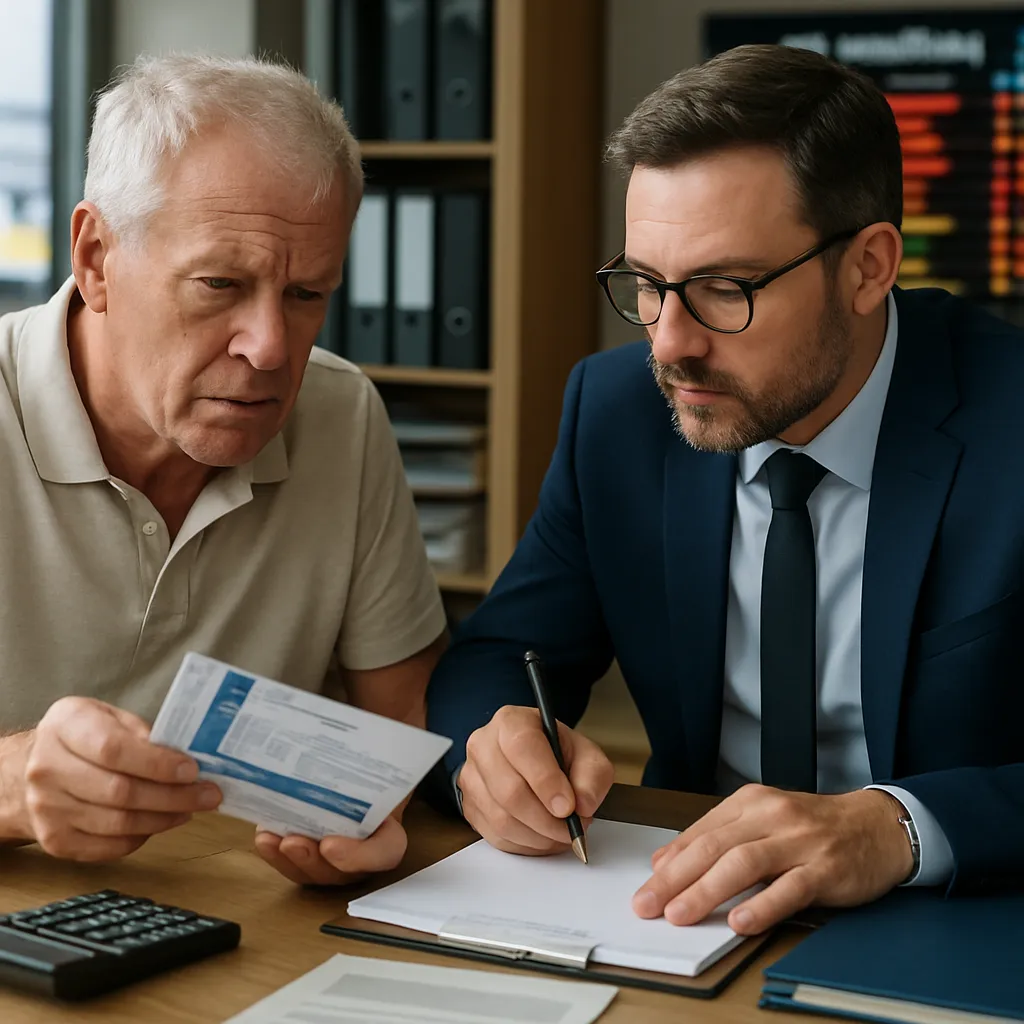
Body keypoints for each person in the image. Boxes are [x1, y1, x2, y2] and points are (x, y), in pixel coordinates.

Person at [426, 43, 1024, 935]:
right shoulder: (616, 412)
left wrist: (899, 829)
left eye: (724, 289)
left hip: (955, 914)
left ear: (868, 267)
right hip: (685, 910)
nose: (669, 344)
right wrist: (494, 745)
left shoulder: (1009, 421)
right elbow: (501, 653)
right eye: (647, 285)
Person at [0, 55, 448, 885]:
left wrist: (376, 819)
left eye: (307, 294)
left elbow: (407, 730)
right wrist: (11, 789)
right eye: (219, 283)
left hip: (240, 923)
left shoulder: (341, 415)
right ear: (95, 258)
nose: (270, 348)